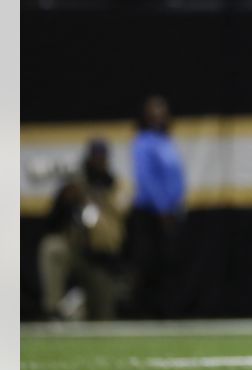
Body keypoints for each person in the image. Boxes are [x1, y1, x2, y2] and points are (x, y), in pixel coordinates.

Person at [37, 138, 125, 320]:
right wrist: (66, 200)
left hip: (99, 258)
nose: (99, 161)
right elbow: (51, 224)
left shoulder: (114, 186)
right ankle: (52, 309)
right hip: (74, 249)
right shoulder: (75, 184)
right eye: (96, 157)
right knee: (52, 247)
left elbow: (118, 229)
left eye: (102, 157)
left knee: (104, 315)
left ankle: (84, 312)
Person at [127, 94, 186, 318]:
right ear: (146, 115)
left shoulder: (166, 141)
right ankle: (143, 313)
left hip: (170, 212)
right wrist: (161, 206)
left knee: (169, 264)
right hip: (149, 214)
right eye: (155, 111)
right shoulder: (143, 141)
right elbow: (146, 178)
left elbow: (174, 176)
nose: (160, 116)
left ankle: (166, 312)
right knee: (147, 264)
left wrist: (176, 204)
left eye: (163, 111)